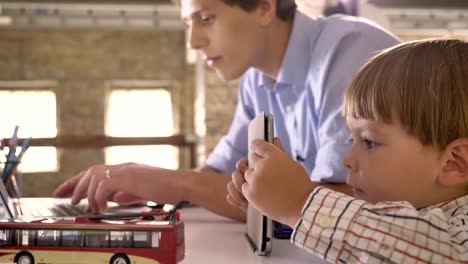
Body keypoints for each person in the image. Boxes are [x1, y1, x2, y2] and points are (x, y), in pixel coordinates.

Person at [53, 0, 399, 221]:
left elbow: (343, 203)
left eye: (206, 18)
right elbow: (218, 172)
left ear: (265, 7)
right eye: (189, 22)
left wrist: (178, 183)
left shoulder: (351, 50)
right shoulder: (255, 79)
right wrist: (148, 188)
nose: (193, 41)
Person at [230, 39, 468, 262]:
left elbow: (432, 250)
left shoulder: (458, 235)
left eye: (369, 142)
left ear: (454, 163)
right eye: (351, 138)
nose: (347, 159)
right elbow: (375, 239)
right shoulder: (402, 221)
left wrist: (299, 204)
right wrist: (274, 209)